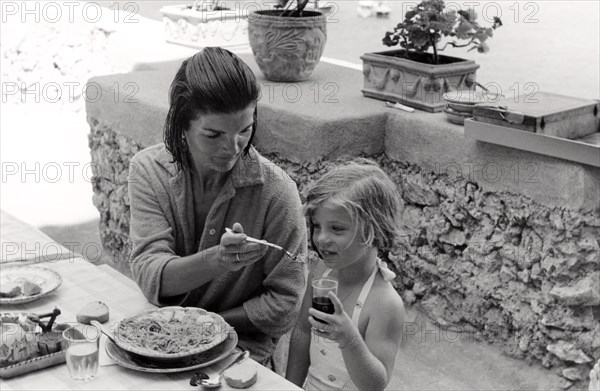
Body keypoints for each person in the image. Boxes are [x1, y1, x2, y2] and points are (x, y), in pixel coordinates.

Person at [127, 47, 308, 367]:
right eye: (213, 134)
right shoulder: (148, 171)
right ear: (182, 125)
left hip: (244, 355)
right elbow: (150, 273)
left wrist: (206, 326)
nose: (233, 147)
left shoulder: (278, 193)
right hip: (159, 345)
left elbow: (286, 302)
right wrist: (218, 260)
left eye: (245, 130)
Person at [286, 159, 405, 390]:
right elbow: (302, 331)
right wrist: (289, 386)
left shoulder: (384, 303)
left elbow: (376, 384)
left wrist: (348, 338)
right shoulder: (322, 273)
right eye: (317, 226)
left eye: (337, 228)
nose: (321, 238)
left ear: (373, 230)